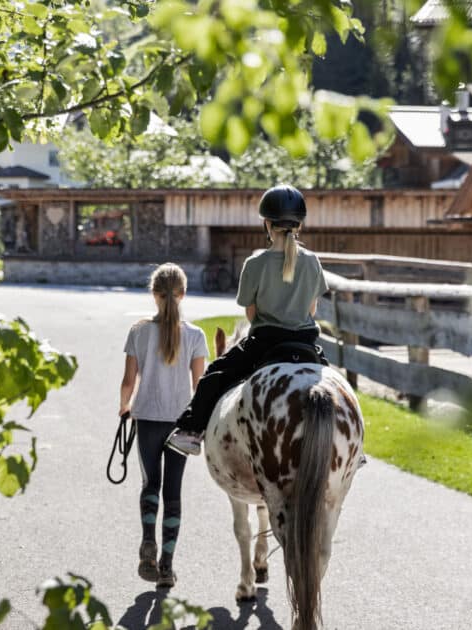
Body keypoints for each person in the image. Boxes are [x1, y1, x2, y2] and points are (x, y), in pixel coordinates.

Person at [166, 184, 329, 457]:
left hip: (264, 343)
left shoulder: (254, 264)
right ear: (299, 225)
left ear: (267, 223)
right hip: (305, 344)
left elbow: (251, 314)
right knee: (335, 388)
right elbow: (312, 309)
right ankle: (354, 449)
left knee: (214, 376)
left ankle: (190, 432)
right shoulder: (312, 262)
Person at [119, 263, 209, 588]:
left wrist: (124, 407)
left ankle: (148, 541)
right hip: (180, 423)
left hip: (146, 419)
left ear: (153, 295)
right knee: (173, 493)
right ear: (182, 294)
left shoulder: (138, 331)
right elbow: (200, 387)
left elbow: (129, 381)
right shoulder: (196, 336)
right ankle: (167, 567)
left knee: (149, 485)